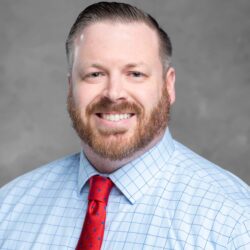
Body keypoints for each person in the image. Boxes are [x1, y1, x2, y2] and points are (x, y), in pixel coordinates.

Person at [0, 1, 249, 249]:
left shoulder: (233, 223)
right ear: (70, 88)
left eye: (135, 74)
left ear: (168, 85)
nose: (114, 93)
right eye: (95, 74)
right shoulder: (8, 207)